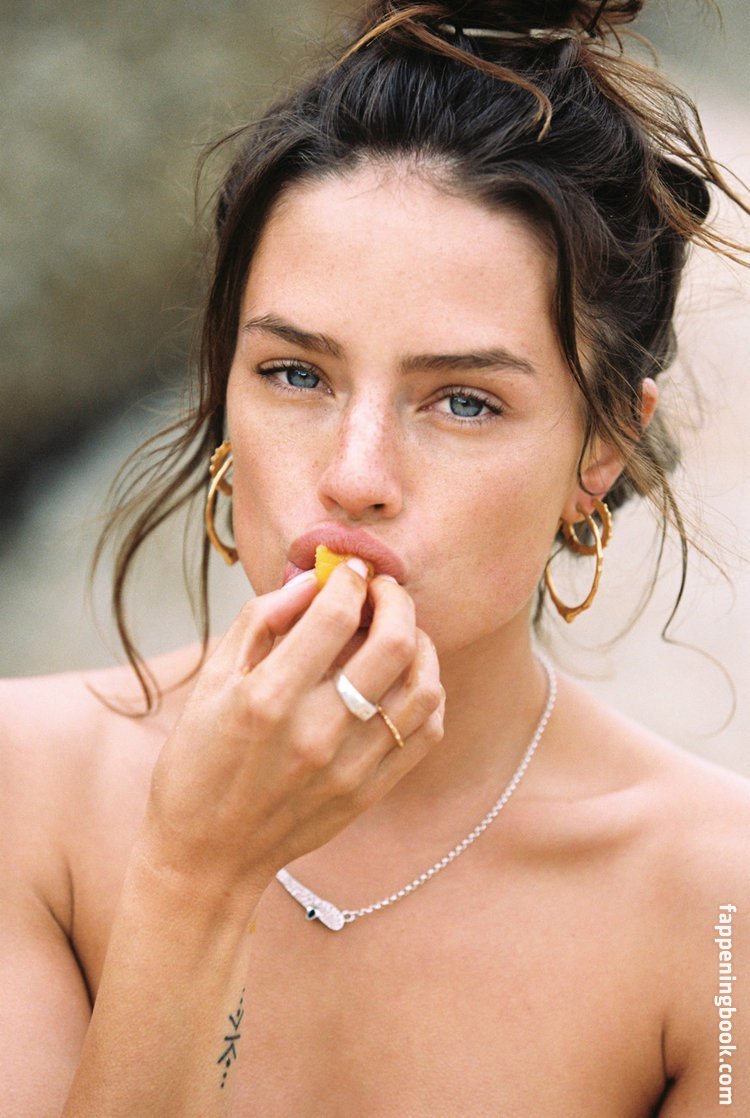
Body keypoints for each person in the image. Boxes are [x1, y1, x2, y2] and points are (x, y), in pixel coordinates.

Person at [1, 1, 748, 1114]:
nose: (355, 476)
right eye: (296, 374)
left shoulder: (720, 903)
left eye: (464, 400)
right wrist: (194, 878)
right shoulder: (23, 791)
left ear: (602, 449)